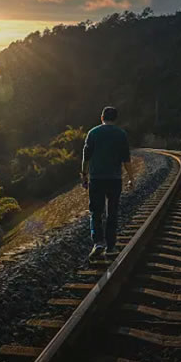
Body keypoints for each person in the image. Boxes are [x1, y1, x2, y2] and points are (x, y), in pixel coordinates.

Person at [81, 106, 134, 260]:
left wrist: (84, 175)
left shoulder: (93, 133)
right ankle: (111, 247)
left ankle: (98, 242)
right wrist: (131, 178)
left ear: (102, 117)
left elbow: (86, 157)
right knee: (112, 212)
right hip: (115, 179)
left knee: (96, 211)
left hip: (97, 179)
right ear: (115, 118)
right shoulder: (121, 134)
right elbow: (126, 159)